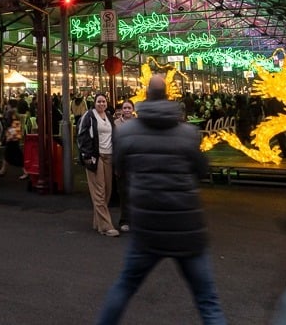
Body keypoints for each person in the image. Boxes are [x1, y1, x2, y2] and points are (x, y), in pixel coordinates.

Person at [95, 74, 226, 325]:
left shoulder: (128, 132)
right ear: (168, 95)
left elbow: (120, 166)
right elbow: (202, 170)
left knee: (124, 287)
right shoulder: (188, 133)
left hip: (147, 226)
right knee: (207, 300)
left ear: (145, 96)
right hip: (187, 227)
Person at [77, 93, 118, 236]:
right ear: (94, 103)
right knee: (99, 191)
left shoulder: (109, 117)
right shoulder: (89, 116)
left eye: (104, 101)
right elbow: (82, 136)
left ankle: (98, 221)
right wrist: (87, 156)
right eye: (99, 101)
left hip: (109, 156)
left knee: (107, 190)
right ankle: (106, 226)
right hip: (96, 156)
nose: (101, 103)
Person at [113, 99, 135, 232]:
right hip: (122, 161)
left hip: (135, 162)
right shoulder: (115, 124)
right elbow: (114, 143)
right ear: (121, 110)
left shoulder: (139, 123)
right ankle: (124, 220)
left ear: (133, 109)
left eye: (129, 108)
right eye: (125, 108)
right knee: (123, 193)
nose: (127, 110)